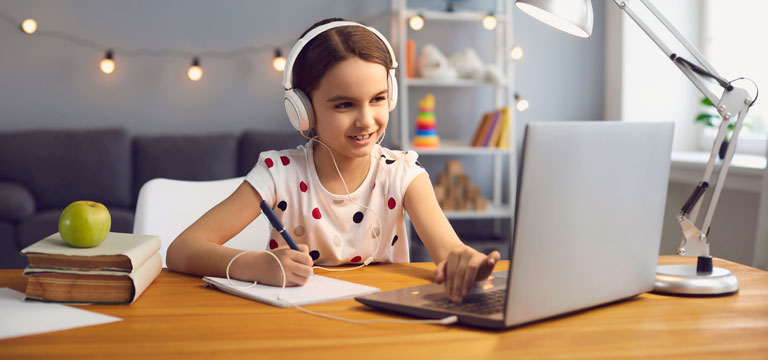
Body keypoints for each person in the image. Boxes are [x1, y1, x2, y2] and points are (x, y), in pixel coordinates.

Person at [167, 18, 500, 303]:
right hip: (296, 321)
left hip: (379, 321)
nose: (366, 120)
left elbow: (450, 250)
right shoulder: (278, 174)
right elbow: (181, 249)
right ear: (303, 110)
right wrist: (253, 264)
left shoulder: (403, 173)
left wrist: (463, 261)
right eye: (344, 105)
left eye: (378, 99)